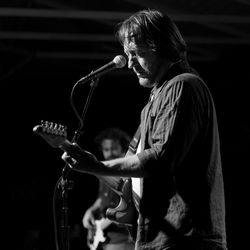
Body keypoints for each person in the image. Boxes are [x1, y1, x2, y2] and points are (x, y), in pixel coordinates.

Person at [61, 9, 227, 250]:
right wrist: (93, 165)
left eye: (136, 54)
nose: (129, 64)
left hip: (185, 238)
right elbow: (138, 182)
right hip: (163, 236)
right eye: (128, 55)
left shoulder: (182, 86)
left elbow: (159, 160)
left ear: (161, 47)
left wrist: (97, 166)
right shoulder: (158, 96)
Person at [82, 128, 134, 250]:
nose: (110, 153)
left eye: (114, 148)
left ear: (123, 148)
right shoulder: (104, 171)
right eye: (106, 149)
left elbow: (132, 206)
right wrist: (90, 210)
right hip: (105, 238)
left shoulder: (130, 173)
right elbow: (102, 198)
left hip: (121, 239)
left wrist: (104, 224)